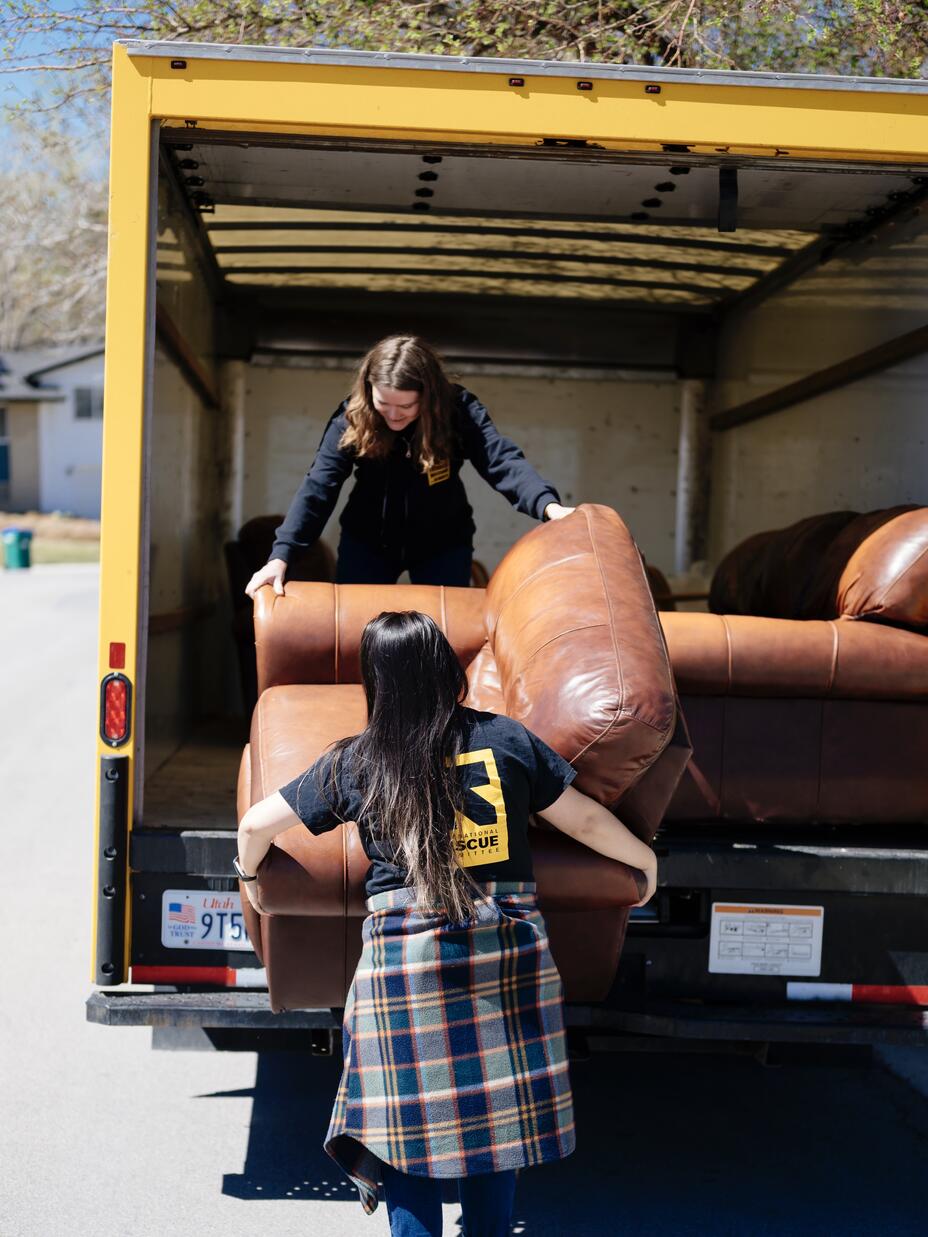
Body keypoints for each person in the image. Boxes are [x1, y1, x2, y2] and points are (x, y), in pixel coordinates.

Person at [236, 610, 658, 1236]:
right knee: (497, 1117)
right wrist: (644, 863)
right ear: (443, 668)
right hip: (503, 948)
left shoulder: (357, 762)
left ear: (374, 680)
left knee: (406, 1133)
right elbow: (588, 822)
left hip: (404, 967)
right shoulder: (508, 740)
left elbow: (254, 827)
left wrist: (249, 879)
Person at [244, 335, 575, 596]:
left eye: (405, 405)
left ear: (428, 396)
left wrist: (549, 507)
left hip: (442, 543)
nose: (392, 414)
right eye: (383, 402)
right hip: (367, 542)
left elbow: (500, 459)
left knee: (442, 635)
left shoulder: (458, 411)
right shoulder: (352, 418)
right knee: (359, 631)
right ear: (368, 389)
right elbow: (319, 487)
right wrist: (281, 556)